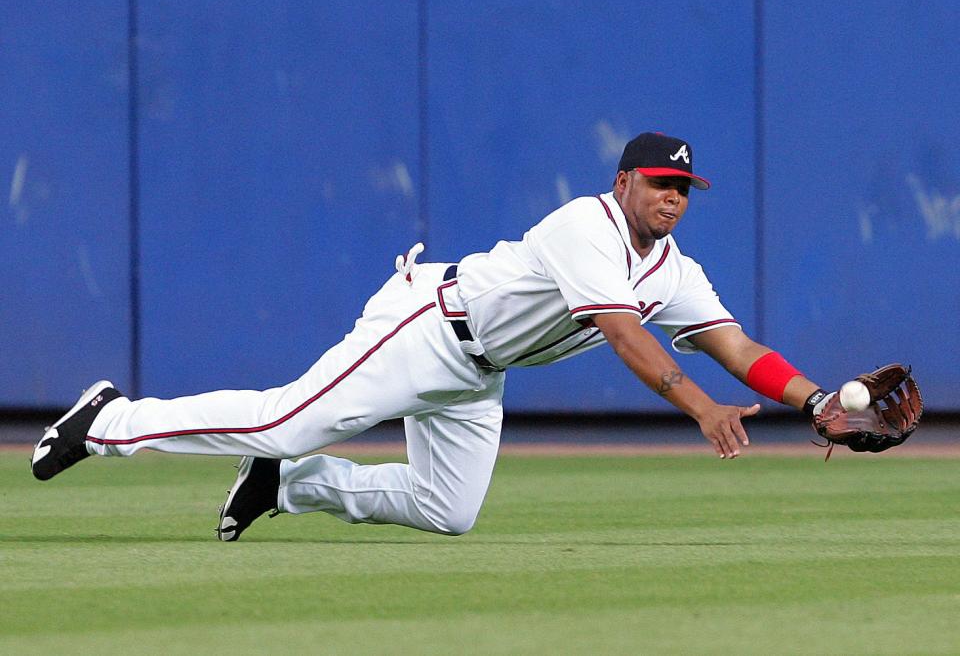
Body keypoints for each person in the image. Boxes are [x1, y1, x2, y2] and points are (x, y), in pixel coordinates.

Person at [31, 132, 834, 541]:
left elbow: (739, 348)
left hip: (480, 374)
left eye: (685, 189)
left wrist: (818, 401)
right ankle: (104, 421)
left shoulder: (675, 270)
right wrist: (701, 408)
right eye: (661, 183)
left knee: (447, 511)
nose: (673, 198)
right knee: (286, 419)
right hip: (430, 325)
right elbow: (624, 335)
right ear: (623, 180)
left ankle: (286, 486)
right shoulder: (584, 226)